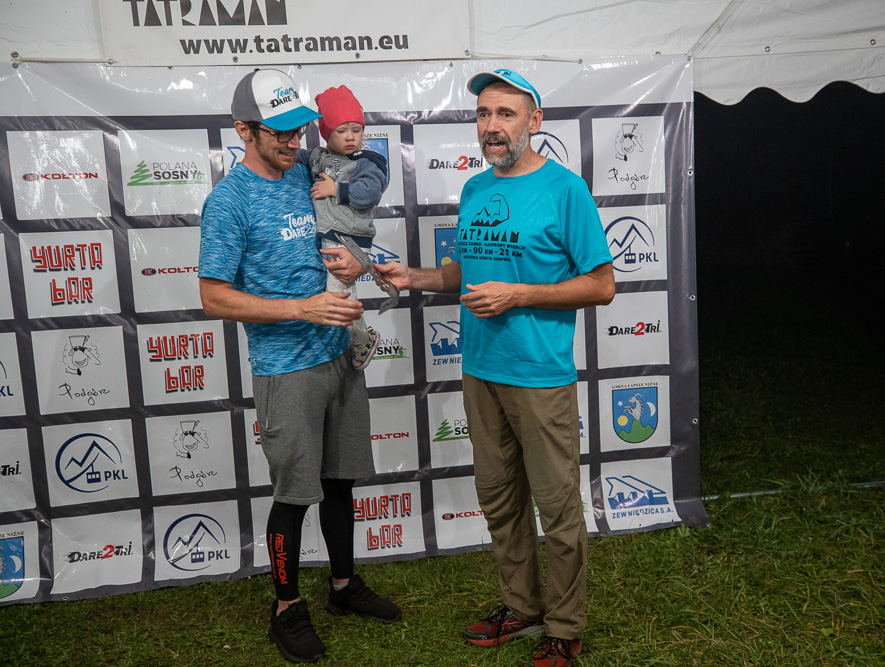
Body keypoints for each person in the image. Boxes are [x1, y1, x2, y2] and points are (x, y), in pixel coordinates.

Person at [380, 68, 614, 667]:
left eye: (505, 114)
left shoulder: (565, 190)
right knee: (500, 499)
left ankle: (564, 626)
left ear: (534, 121)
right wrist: (414, 278)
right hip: (481, 371)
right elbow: (466, 273)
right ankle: (521, 606)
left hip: (539, 377)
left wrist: (521, 294)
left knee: (557, 510)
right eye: (483, 113)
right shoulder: (476, 190)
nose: (491, 125)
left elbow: (602, 285)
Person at [198, 68, 401, 665]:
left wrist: (356, 265)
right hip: (285, 367)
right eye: (280, 133)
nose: (294, 142)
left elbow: (343, 228)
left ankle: (343, 584)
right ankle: (286, 608)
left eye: (299, 130)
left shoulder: (306, 174)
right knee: (293, 495)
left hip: (341, 354)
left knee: (340, 481)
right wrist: (300, 308)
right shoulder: (228, 201)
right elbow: (213, 297)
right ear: (244, 131)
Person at [302, 84, 388, 370]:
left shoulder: (368, 161)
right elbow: (292, 159)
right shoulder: (318, 156)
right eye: (341, 130)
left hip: (352, 238)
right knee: (339, 293)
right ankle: (353, 338)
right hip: (329, 236)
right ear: (327, 133)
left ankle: (362, 340)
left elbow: (369, 194)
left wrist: (335, 189)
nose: (351, 136)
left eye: (356, 129)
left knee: (338, 296)